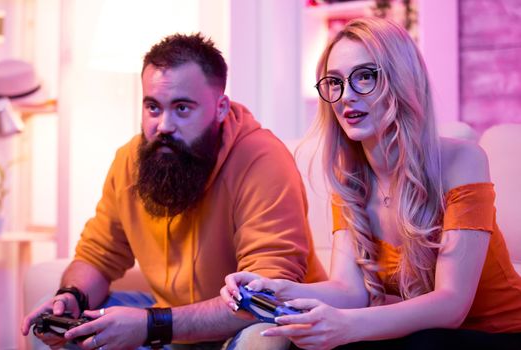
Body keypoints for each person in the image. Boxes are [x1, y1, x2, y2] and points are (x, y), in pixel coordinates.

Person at [221, 17, 521, 350]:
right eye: (334, 82)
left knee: (423, 343)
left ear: (401, 80)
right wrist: (277, 288)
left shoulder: (462, 160)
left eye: (365, 76)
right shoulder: (349, 180)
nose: (345, 96)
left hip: (500, 334)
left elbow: (451, 305)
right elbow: (349, 292)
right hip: (422, 337)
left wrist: (346, 326)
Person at [21, 33, 326, 349]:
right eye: (153, 107)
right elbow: (98, 255)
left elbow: (265, 297)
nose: (164, 125)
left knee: (261, 340)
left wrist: (152, 325)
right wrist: (72, 295)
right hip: (171, 326)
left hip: (251, 325)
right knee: (60, 322)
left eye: (182, 108)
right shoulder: (131, 159)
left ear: (220, 108)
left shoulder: (263, 160)